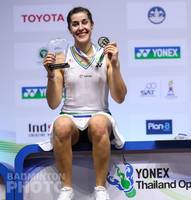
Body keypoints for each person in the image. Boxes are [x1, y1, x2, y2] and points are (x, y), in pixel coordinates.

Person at [42, 6, 127, 200]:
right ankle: (66, 189)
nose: (80, 27)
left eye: (84, 22)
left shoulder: (106, 56)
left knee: (98, 123)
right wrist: (50, 75)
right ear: (70, 29)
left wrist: (115, 65)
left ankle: (101, 189)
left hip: (99, 116)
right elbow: (53, 103)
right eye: (75, 24)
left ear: (92, 25)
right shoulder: (62, 58)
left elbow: (120, 97)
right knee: (60, 125)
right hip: (70, 117)